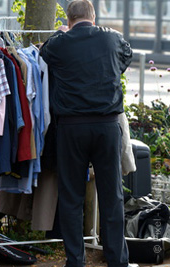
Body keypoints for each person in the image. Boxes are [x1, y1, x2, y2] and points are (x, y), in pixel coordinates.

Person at [40, 1, 136, 267]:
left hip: (72, 127)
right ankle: (117, 260)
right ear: (93, 17)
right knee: (112, 196)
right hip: (108, 125)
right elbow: (125, 58)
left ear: (69, 20)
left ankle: (75, 261)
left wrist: (60, 33)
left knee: (71, 197)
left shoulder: (59, 42)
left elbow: (44, 54)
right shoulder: (112, 38)